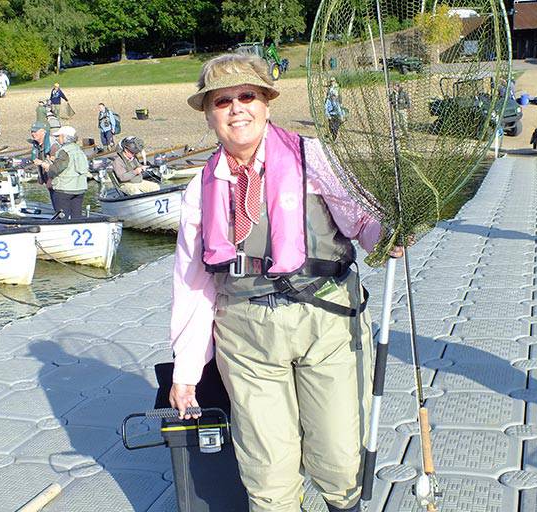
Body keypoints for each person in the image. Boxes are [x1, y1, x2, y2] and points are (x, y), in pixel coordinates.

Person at [170, 53, 401, 512]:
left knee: (339, 462)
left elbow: (362, 218)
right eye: (222, 101)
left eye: (246, 96)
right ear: (209, 114)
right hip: (245, 337)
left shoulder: (311, 156)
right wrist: (187, 373)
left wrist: (391, 232)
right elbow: (193, 284)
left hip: (328, 323)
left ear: (267, 103)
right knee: (267, 476)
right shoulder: (201, 187)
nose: (236, 108)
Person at [38, 126, 89, 219]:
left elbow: (55, 169)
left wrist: (45, 165)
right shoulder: (79, 150)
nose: (57, 139)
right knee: (77, 216)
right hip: (80, 188)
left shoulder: (64, 151)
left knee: (62, 217)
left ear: (65, 137)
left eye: (59, 136)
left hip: (64, 189)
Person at [30, 122, 60, 207]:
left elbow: (57, 164)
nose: (33, 134)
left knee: (58, 203)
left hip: (57, 181)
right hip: (48, 180)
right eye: (32, 131)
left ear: (43, 132)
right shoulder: (37, 145)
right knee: (54, 201)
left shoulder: (53, 145)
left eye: (35, 132)